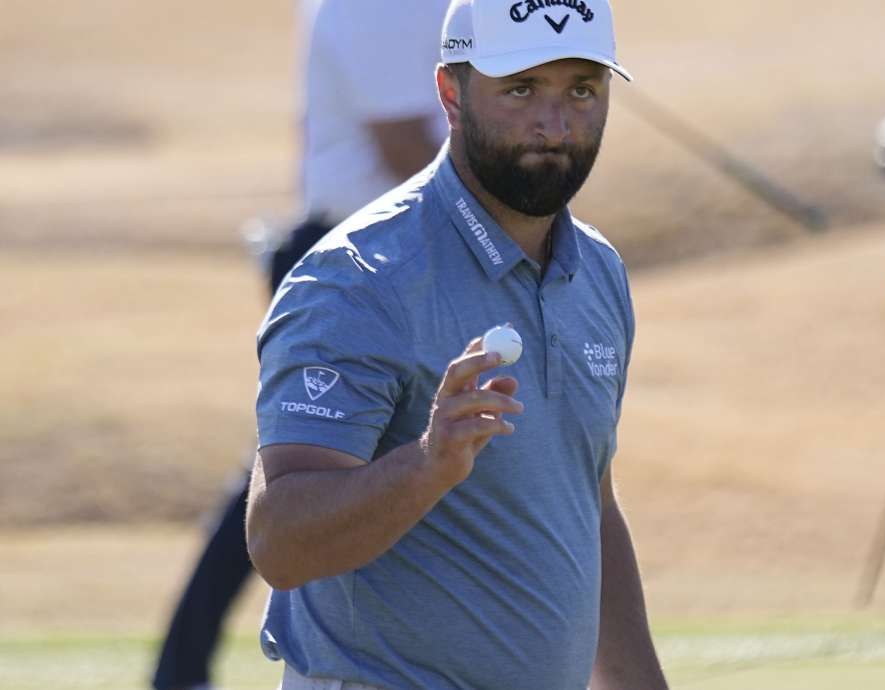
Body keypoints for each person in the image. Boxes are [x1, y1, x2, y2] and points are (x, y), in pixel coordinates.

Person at [245, 0, 671, 688]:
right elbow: (280, 541)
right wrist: (424, 468)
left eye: (582, 90)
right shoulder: (358, 279)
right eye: (521, 88)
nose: (555, 123)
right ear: (451, 93)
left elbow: (587, 505)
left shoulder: (597, 272)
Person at [152, 3, 450, 689]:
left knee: (322, 469)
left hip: (406, 253)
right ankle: (186, 669)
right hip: (354, 263)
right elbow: (403, 145)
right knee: (302, 476)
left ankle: (180, 668)